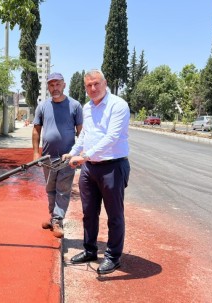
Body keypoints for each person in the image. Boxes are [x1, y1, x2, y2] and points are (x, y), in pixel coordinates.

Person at [62, 69, 130, 274]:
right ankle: (90, 250)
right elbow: (84, 136)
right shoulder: (87, 107)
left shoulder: (118, 105)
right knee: (89, 213)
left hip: (112, 167)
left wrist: (84, 156)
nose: (93, 88)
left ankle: (113, 256)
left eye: (96, 84)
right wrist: (72, 152)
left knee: (114, 215)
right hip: (90, 169)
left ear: (105, 83)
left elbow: (112, 138)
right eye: (88, 85)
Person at [32, 72, 83, 238]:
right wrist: (35, 153)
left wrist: (78, 154)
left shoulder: (75, 106)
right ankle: (53, 216)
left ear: (64, 85)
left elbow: (81, 132)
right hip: (47, 158)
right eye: (51, 85)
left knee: (63, 189)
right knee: (50, 189)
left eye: (58, 84)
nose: (55, 88)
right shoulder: (43, 106)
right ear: (48, 87)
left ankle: (58, 220)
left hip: (67, 158)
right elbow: (36, 130)